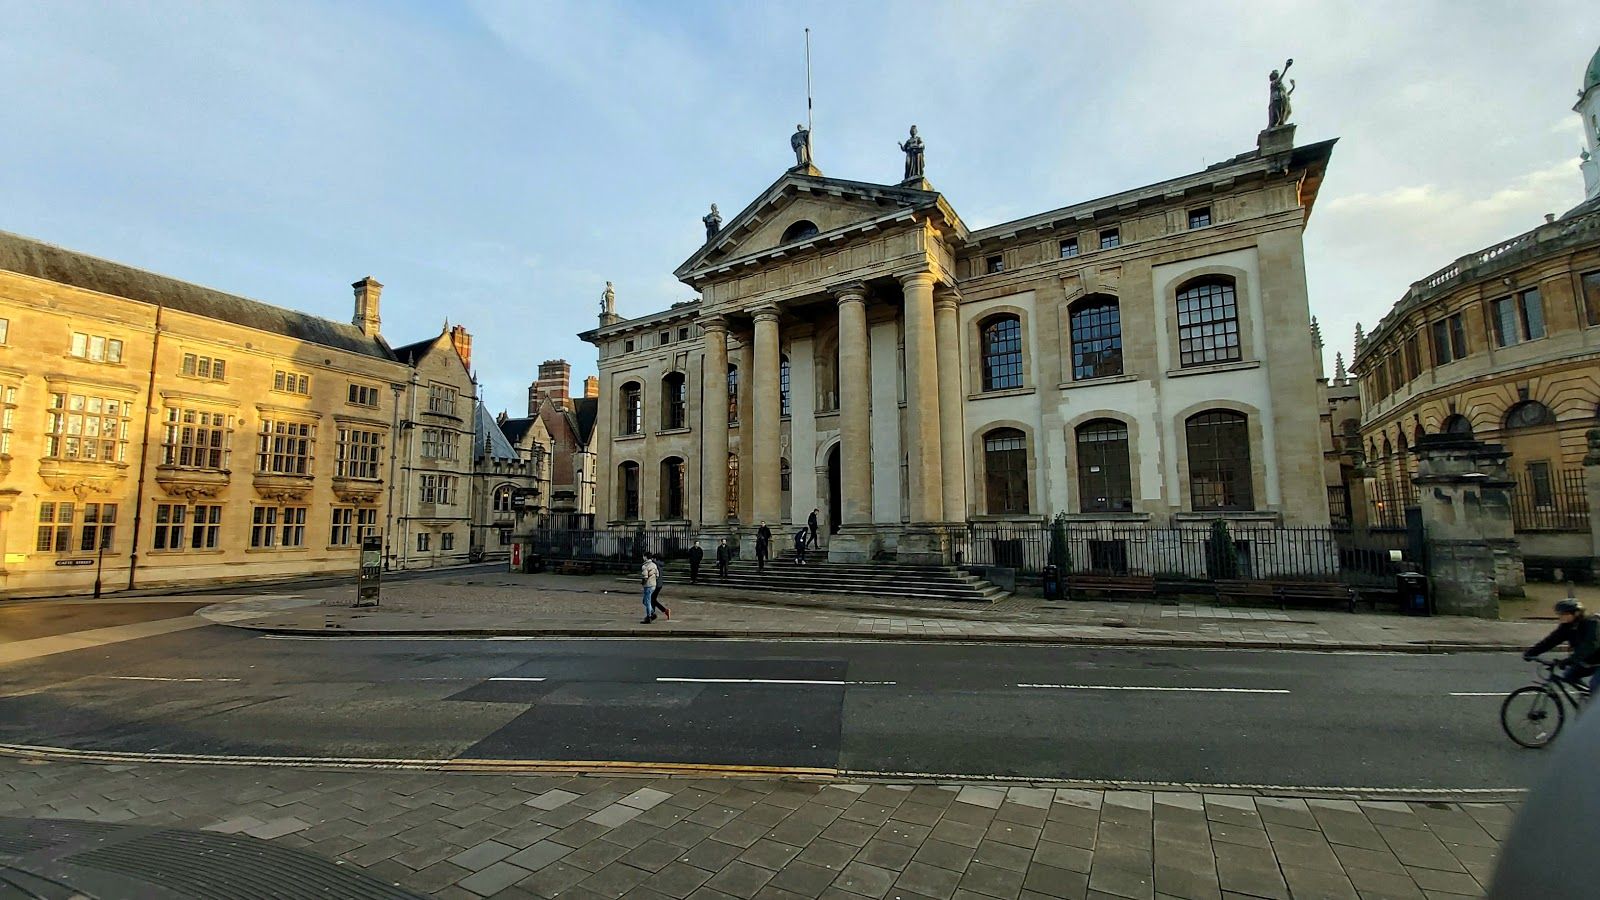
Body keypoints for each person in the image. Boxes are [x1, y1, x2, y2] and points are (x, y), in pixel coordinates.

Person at [1523, 597, 1600, 693]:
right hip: (1589, 661)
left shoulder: (1592, 623)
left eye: (1564, 614)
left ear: (1576, 613)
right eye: (1559, 614)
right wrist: (1531, 652)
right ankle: (1587, 699)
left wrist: (1569, 661)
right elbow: (1551, 641)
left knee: (1595, 686)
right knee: (1569, 676)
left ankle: (1594, 704)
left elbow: (1589, 646)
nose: (1560, 617)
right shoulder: (1567, 627)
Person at [647, 554, 671, 621]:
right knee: (653, 599)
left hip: (656, 584)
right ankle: (656, 612)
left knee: (652, 599)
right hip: (659, 585)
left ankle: (654, 613)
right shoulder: (660, 564)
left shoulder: (655, 564)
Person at [639, 555, 659, 624]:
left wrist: (643, 583)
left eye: (643, 556)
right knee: (645, 601)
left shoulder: (645, 566)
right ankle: (652, 613)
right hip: (653, 584)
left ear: (645, 557)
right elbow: (657, 575)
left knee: (647, 601)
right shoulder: (654, 565)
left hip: (648, 585)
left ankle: (649, 616)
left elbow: (645, 577)